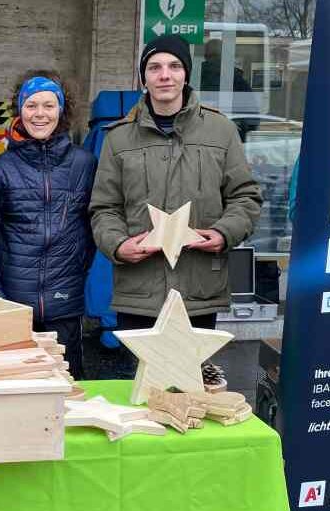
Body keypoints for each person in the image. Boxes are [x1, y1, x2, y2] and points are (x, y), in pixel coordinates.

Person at [89, 34, 261, 372]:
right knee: (141, 396)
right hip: (139, 290)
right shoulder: (118, 137)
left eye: (174, 66)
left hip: (198, 290)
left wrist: (225, 233)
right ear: (144, 77)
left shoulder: (222, 131)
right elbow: (103, 208)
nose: (164, 75)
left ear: (186, 74)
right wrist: (118, 245)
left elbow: (246, 196)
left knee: (192, 394)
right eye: (154, 67)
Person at [0, 70, 96, 378]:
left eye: (48, 105)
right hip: (13, 303)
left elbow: (93, 227)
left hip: (65, 301)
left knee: (67, 388)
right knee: (16, 387)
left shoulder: (85, 164)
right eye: (31, 105)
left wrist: (77, 270)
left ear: (61, 110)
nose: (39, 114)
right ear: (19, 110)